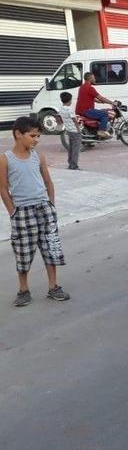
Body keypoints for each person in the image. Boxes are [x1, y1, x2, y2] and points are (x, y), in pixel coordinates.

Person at [0, 116, 70, 307]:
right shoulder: (6, 159)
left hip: (44, 209)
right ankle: (23, 290)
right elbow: (3, 188)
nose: (36, 140)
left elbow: (47, 181)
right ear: (18, 134)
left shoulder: (39, 157)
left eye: (38, 136)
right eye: (33, 135)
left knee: (50, 249)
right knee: (23, 252)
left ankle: (53, 286)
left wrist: (51, 205)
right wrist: (12, 211)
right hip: (22, 213)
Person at [75, 72, 114, 139]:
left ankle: (95, 131)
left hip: (79, 110)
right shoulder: (90, 88)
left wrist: (99, 102)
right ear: (90, 78)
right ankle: (101, 131)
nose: (95, 79)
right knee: (105, 114)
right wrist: (111, 102)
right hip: (86, 110)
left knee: (100, 112)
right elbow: (100, 97)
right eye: (94, 78)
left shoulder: (82, 87)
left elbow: (88, 97)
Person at [58, 92, 81, 170]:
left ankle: (70, 164)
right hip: (74, 131)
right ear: (69, 100)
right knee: (76, 149)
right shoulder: (69, 109)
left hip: (68, 130)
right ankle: (74, 165)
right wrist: (78, 129)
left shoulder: (61, 109)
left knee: (71, 148)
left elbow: (60, 118)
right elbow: (74, 120)